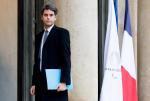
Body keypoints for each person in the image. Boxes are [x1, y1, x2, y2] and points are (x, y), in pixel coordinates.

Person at [30, 4, 71, 101]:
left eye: (51, 15)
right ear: (41, 17)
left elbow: (66, 58)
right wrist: (34, 83)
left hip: (56, 84)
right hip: (40, 85)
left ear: (55, 17)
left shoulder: (62, 33)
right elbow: (37, 62)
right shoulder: (38, 37)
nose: (48, 17)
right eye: (45, 15)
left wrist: (64, 82)